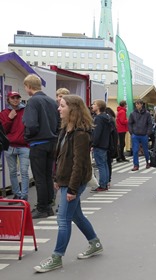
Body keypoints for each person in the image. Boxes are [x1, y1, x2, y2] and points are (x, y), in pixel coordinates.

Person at [33, 95, 103, 273]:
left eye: (62, 106)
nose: (58, 109)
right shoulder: (66, 130)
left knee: (63, 219)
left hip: (74, 182)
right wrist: (57, 178)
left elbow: (79, 164)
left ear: (72, 109)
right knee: (76, 216)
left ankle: (57, 257)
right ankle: (95, 243)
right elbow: (61, 158)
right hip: (66, 180)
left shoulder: (80, 134)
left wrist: (71, 188)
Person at [22, 74, 59, 219]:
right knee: (48, 175)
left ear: (29, 86)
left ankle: (42, 207)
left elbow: (31, 124)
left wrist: (28, 137)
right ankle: (49, 205)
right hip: (52, 142)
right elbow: (58, 123)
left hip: (38, 143)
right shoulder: (51, 101)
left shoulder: (32, 102)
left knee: (39, 178)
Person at [0, 92, 30, 202]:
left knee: (24, 171)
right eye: (13, 98)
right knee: (12, 172)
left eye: (18, 97)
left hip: (24, 146)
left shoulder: (26, 111)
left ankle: (24, 196)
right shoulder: (4, 113)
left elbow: (30, 125)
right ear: (8, 99)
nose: (16, 100)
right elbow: (3, 130)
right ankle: (17, 194)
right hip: (10, 147)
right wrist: (9, 118)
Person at [91, 100, 113, 192]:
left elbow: (97, 133)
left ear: (99, 107)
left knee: (100, 165)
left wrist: (93, 144)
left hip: (99, 145)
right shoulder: (107, 117)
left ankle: (102, 185)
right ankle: (106, 182)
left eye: (94, 104)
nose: (92, 106)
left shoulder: (99, 118)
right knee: (104, 164)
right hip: (105, 144)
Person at [128, 99, 153, 171]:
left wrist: (148, 133)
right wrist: (131, 132)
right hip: (135, 134)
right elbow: (130, 123)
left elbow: (149, 124)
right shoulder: (132, 114)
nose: (137, 105)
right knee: (135, 150)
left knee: (145, 150)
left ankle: (147, 162)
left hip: (144, 134)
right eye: (136, 104)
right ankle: (136, 165)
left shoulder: (147, 114)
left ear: (142, 104)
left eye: (138, 104)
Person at [105, 107, 118, 188]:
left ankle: (106, 181)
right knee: (108, 163)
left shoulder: (108, 120)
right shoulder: (113, 120)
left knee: (105, 164)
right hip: (112, 145)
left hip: (107, 145)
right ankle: (108, 180)